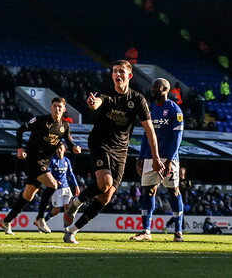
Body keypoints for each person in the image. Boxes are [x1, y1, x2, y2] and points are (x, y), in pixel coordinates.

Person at [63, 60, 164, 244]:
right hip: (100, 143)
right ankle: (75, 202)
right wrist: (93, 104)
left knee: (106, 196)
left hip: (121, 149)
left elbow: (150, 131)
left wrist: (156, 157)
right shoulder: (106, 94)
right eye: (115, 71)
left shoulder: (138, 99)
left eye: (121, 72)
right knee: (104, 183)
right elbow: (97, 103)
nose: (117, 75)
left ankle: (72, 231)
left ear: (129, 76)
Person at [0, 97, 81, 235]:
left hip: (45, 162)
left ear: (64, 109)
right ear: (51, 107)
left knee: (28, 196)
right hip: (33, 159)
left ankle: (6, 221)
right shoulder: (40, 120)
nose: (57, 109)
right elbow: (20, 130)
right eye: (55, 106)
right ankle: (40, 218)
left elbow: (70, 142)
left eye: (60, 107)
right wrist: (19, 148)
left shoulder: (64, 126)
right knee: (53, 185)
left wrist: (75, 148)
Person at [130, 78, 185, 242]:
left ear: (166, 89)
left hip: (168, 158)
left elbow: (178, 138)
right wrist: (140, 157)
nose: (152, 89)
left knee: (173, 191)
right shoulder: (149, 108)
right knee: (148, 191)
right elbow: (146, 135)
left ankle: (178, 231)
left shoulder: (175, 110)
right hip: (149, 157)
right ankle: (146, 231)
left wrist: (169, 160)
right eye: (152, 87)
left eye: (156, 87)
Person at [45, 143, 79, 226]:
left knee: (68, 208)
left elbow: (71, 174)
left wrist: (76, 186)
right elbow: (48, 173)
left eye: (61, 148)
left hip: (66, 188)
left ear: (65, 149)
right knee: (56, 210)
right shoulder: (53, 160)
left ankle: (66, 228)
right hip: (57, 189)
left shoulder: (66, 160)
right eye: (57, 148)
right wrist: (54, 181)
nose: (59, 150)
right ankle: (43, 221)